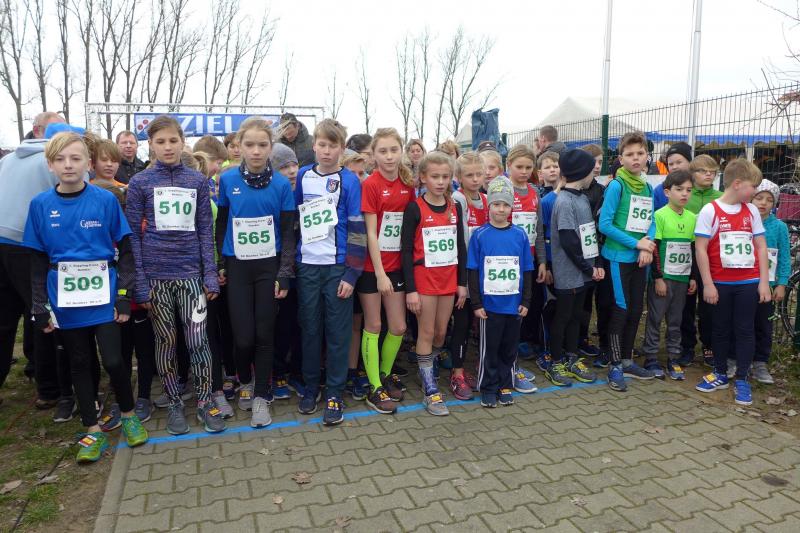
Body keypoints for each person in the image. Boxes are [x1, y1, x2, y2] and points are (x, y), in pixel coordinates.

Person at [23, 131, 148, 463]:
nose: (68, 165)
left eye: (75, 158)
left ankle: (129, 414)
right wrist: (39, 306)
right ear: (50, 165)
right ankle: (92, 429)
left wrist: (124, 295)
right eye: (60, 159)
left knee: (114, 360)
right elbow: (36, 261)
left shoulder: (105, 200)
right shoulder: (40, 205)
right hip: (65, 300)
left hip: (104, 296)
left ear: (88, 164)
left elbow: (126, 251)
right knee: (79, 363)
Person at [125, 115, 224, 435]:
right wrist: (141, 282)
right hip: (156, 278)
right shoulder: (140, 183)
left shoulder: (197, 181)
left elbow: (205, 231)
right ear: (150, 145)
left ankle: (206, 401)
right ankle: (174, 403)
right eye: (160, 142)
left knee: (198, 341)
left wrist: (209, 274)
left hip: (191, 277)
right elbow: (133, 236)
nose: (167, 147)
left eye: (173, 140)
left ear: (182, 142)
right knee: (166, 342)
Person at [215, 117, 296, 428]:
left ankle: (262, 395)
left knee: (264, 334)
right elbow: (222, 223)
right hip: (237, 266)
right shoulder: (227, 180)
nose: (256, 151)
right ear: (239, 147)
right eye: (249, 145)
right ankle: (245, 380)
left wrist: (284, 272)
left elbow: (287, 232)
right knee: (243, 337)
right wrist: (221, 263)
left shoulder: (281, 185)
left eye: (263, 145)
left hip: (268, 267)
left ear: (271, 147)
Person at [294, 119, 365, 425]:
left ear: (341, 148)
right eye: (321, 145)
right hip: (307, 266)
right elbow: (297, 219)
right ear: (314, 145)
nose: (326, 151)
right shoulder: (302, 176)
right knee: (310, 330)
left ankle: (335, 392)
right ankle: (312, 386)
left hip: (337, 268)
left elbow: (358, 229)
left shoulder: (349, 181)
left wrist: (352, 274)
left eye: (332, 146)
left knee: (337, 332)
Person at [0, 113, 69, 412]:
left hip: (2, 238)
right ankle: (49, 387)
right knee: (43, 314)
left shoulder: (9, 159)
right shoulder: (53, 159)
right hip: (27, 245)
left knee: (5, 320)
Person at [694, 159, 771, 406]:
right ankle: (719, 372)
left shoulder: (751, 211)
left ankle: (742, 378)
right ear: (737, 184)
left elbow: (761, 246)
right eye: (753, 187)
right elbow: (701, 249)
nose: (755, 192)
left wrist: (764, 282)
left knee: (745, 329)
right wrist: (708, 283)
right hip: (720, 282)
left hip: (748, 281)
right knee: (720, 328)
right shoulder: (710, 211)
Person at [401, 152, 467, 416]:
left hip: (448, 280)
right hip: (424, 281)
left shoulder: (455, 207)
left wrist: (462, 283)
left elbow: (460, 247)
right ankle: (430, 389)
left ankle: (426, 364)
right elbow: (406, 251)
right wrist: (411, 290)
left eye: (445, 177)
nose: (440, 182)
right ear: (423, 178)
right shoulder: (415, 208)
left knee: (441, 332)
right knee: (426, 332)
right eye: (435, 177)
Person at [358, 128, 415, 414]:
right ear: (374, 154)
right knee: (374, 325)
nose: (389, 156)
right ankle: (373, 387)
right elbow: (371, 232)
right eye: (383, 151)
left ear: (401, 151)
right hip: (373, 267)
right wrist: (379, 273)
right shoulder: (371, 184)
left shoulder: (408, 183)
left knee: (399, 327)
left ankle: (384, 372)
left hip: (398, 265)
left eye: (394, 150)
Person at [598, 131, 657, 391]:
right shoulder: (616, 186)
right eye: (630, 154)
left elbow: (652, 221)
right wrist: (636, 244)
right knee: (621, 310)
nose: (636, 158)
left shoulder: (647, 187)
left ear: (647, 157)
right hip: (617, 258)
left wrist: (647, 245)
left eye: (640, 153)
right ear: (621, 159)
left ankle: (627, 360)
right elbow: (605, 224)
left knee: (635, 310)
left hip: (639, 260)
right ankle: (614, 365)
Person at [467, 177, 533, 408]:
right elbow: (473, 271)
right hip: (490, 306)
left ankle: (505, 384)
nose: (501, 209)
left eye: (505, 204)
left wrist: (526, 300)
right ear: (489, 206)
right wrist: (476, 303)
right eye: (496, 204)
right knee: (490, 349)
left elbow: (527, 269)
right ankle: (488, 387)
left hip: (513, 305)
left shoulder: (520, 235)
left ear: (511, 207)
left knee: (509, 348)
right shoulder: (479, 235)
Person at [547, 149, 604, 386]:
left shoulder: (582, 198)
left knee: (576, 316)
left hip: (584, 271)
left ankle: (572, 357)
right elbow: (569, 241)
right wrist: (587, 268)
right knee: (563, 317)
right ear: (583, 173)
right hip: (569, 272)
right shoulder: (564, 201)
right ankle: (555, 362)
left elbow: (590, 234)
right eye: (592, 170)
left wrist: (596, 263)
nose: (594, 174)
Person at [641, 170, 697, 381]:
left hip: (682, 279)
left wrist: (693, 277)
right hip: (663, 279)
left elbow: (693, 249)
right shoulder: (659, 215)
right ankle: (651, 357)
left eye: (688, 190)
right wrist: (658, 278)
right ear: (667, 192)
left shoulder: (692, 218)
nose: (684, 194)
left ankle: (673, 358)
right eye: (679, 189)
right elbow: (655, 248)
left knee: (676, 320)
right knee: (655, 318)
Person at [506, 145, 547, 389]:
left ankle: (513, 363)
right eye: (519, 167)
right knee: (508, 316)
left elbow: (538, 231)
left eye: (528, 167)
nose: (523, 171)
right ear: (508, 165)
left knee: (520, 313)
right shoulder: (503, 190)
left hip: (527, 262)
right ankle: (508, 364)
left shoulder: (534, 193)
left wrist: (541, 260)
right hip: (506, 264)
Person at [679, 154, 723, 368]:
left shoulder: (721, 197)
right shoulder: (685, 196)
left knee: (709, 304)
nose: (709, 175)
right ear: (692, 173)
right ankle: (686, 346)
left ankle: (709, 345)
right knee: (686, 304)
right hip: (687, 253)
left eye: (712, 172)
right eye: (703, 171)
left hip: (711, 256)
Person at [450, 153, 488, 400]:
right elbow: (461, 242)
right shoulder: (458, 199)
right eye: (469, 175)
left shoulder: (486, 199)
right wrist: (462, 281)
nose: (475, 179)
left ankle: (481, 368)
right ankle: (457, 373)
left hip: (484, 273)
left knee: (481, 323)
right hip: (464, 272)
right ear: (459, 177)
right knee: (462, 324)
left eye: (479, 174)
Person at [749, 178, 788, 385]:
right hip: (745, 282)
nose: (763, 203)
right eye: (759, 197)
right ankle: (735, 358)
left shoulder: (779, 227)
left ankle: (760, 362)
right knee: (741, 322)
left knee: (763, 324)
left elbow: (784, 257)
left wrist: (781, 283)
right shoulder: (744, 221)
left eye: (769, 200)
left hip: (769, 286)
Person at [577, 144, 607, 362]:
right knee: (578, 299)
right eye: (593, 161)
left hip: (597, 249)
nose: (597, 166)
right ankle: (576, 339)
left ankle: (586, 338)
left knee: (593, 299)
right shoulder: (575, 189)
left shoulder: (602, 190)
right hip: (577, 250)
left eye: (600, 162)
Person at [653, 142, 693, 211]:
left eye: (679, 162)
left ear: (689, 162)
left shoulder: (698, 187)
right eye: (671, 164)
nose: (674, 167)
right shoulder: (659, 190)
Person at [90, 139, 127, 207]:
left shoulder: (125, 189)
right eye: (104, 160)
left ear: (119, 164)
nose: (109, 164)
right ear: (93, 162)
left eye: (114, 161)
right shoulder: (86, 188)